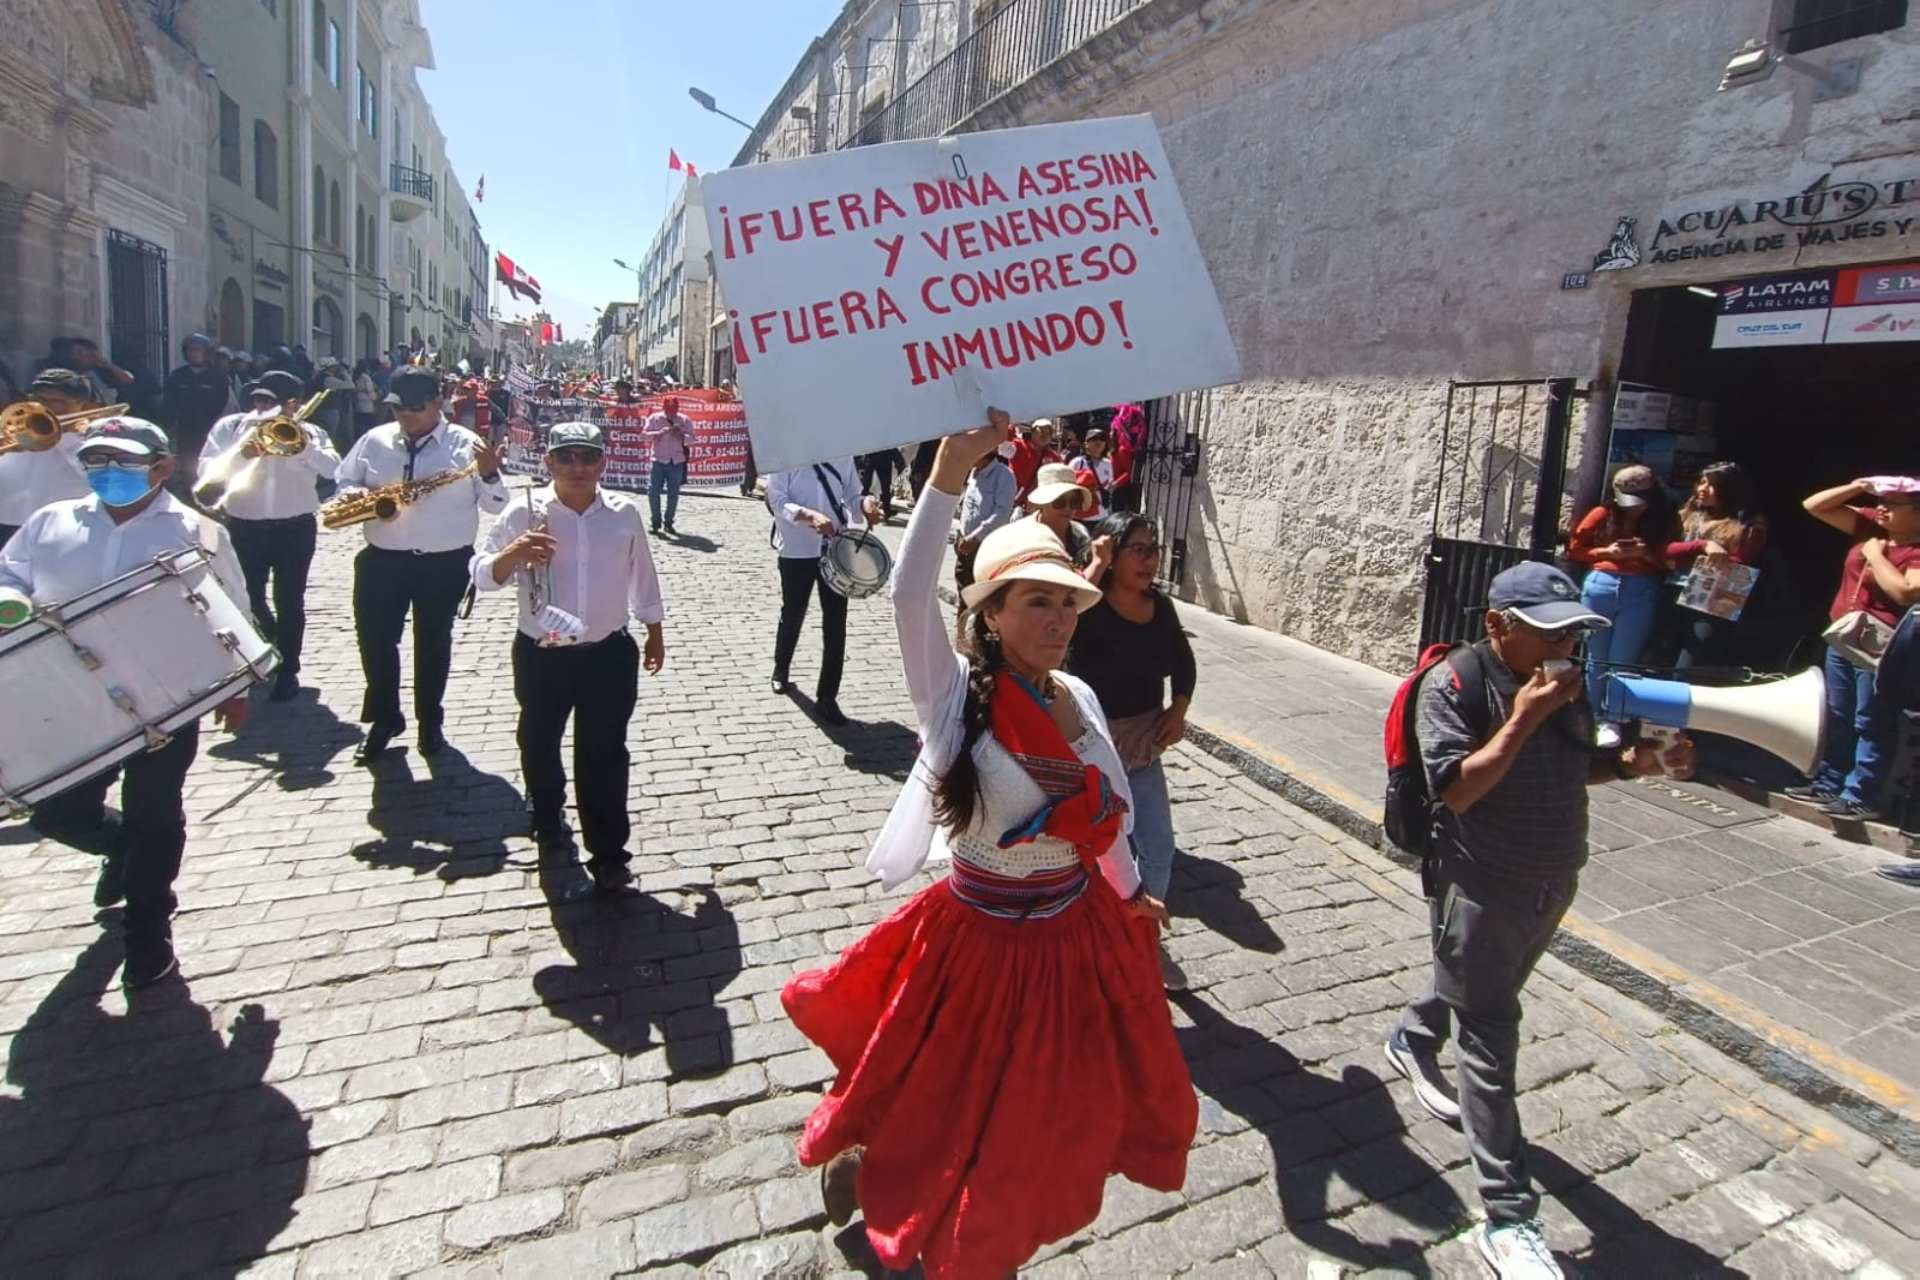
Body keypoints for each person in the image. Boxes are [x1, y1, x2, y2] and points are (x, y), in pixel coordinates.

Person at [781, 416, 1195, 1279]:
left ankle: (987, 1228)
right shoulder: (952, 697)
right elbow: (904, 595)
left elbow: (1103, 820)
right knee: (939, 1083)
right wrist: (944, 473)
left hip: (1065, 940)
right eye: (1034, 601)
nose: (1056, 616)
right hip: (973, 941)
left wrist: (1129, 895)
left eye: (1065, 601)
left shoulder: (1078, 698)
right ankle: (892, 1178)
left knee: (1031, 1111)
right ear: (992, 614)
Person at [1382, 561, 1693, 1280]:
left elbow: (1576, 764)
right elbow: (1457, 790)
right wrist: (1526, 713)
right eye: (1550, 632)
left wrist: (1640, 762)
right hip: (1482, 879)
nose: (1567, 646)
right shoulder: (1456, 684)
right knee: (1490, 1035)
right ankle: (1508, 1217)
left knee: (1479, 988)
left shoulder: (1562, 683)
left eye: (1576, 631)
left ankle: (1413, 1034)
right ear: (1498, 625)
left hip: (1553, 876)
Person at [2, 416, 250, 988]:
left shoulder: (196, 530)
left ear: (160, 467)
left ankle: (148, 931)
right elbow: (9, 571)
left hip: (165, 697)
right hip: (69, 697)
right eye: (95, 461)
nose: (106, 472)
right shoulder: (49, 522)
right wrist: (10, 598)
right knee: (57, 811)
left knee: (156, 814)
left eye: (122, 462)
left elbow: (231, 609)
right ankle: (119, 850)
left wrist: (235, 688)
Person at [472, 422, 666, 895]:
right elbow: (480, 575)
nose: (577, 468)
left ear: (602, 463)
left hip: (607, 652)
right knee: (538, 741)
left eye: (587, 458)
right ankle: (546, 809)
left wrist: (654, 631)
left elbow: (642, 573)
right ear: (549, 463)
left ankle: (609, 853)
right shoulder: (524, 512)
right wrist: (513, 553)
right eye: (566, 458)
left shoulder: (624, 513)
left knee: (604, 755)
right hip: (544, 654)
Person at [333, 366, 508, 763]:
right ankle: (384, 718)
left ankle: (431, 724)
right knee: (375, 643)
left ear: (436, 403)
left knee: (432, 646)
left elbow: (497, 506)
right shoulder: (374, 440)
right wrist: (355, 496)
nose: (404, 416)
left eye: (414, 408)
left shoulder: (467, 445)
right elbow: (343, 480)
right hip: (382, 561)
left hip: (443, 564)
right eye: (398, 408)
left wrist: (490, 474)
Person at [1067, 511, 1196, 989]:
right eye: (1137, 549)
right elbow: (1063, 612)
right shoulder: (1090, 605)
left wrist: (1178, 709)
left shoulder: (1160, 608)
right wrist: (1095, 567)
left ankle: (1143, 941)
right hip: (1089, 749)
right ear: (1112, 552)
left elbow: (1184, 663)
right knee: (1090, 855)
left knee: (1158, 848)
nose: (1149, 559)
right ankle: (1089, 942)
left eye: (1153, 549)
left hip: (1142, 748)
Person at [200, 370, 341, 701]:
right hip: (243, 524)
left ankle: (289, 669)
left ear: (293, 405)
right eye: (259, 400)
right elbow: (206, 471)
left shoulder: (311, 431)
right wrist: (241, 454)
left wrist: (303, 448)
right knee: (247, 597)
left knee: (290, 599)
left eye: (271, 402)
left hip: (295, 526)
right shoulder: (231, 429)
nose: (262, 408)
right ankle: (269, 641)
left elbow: (333, 468)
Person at [1793, 477, 1920, 821]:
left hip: (1882, 645)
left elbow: (1907, 592)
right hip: (1844, 635)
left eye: (1894, 504)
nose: (1883, 508)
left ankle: (1860, 793)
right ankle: (1829, 782)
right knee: (1838, 710)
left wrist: (1876, 556)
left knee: (1871, 718)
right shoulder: (1870, 525)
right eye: (1883, 501)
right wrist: (1859, 485)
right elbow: (1814, 505)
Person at [767, 454, 882, 726]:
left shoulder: (842, 454)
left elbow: (854, 497)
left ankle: (827, 698)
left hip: (835, 550)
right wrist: (809, 516)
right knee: (793, 613)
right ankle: (781, 669)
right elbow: (777, 500)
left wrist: (866, 505)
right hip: (796, 551)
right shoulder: (783, 453)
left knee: (835, 623)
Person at [1567, 464, 1672, 748]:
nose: (1632, 509)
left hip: (1640, 586)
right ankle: (1594, 716)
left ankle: (1614, 718)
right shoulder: (1603, 513)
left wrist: (1645, 554)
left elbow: (1670, 562)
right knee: (1596, 656)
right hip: (1601, 583)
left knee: (1623, 657)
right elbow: (1574, 549)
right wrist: (1607, 552)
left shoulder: (1663, 519)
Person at [1664, 461, 1766, 669]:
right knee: (1663, 654)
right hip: (1674, 588)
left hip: (1712, 599)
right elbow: (1665, 550)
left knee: (1690, 662)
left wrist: (1689, 555)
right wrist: (1702, 545)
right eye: (1701, 482)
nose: (1702, 489)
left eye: (1710, 485)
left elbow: (1741, 560)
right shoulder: (1687, 515)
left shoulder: (1748, 523)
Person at [0, 369, 97, 547]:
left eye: (56, 401)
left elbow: (93, 473)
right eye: (39, 400)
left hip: (62, 525)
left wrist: (66, 437)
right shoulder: (18, 426)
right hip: (8, 520)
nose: (46, 407)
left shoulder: (93, 435)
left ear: (80, 403)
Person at [161, 333, 232, 486]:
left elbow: (226, 405)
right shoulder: (178, 376)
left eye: (198, 350)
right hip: (185, 431)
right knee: (188, 470)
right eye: (190, 350)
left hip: (211, 430)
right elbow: (169, 404)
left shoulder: (218, 377)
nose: (193, 353)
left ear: (207, 352)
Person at [953, 440, 1017, 597]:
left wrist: (976, 537)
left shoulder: (1004, 476)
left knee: (980, 593)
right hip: (965, 542)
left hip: (984, 544)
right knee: (963, 588)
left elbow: (1001, 514)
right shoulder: (974, 473)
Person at [1023, 462, 1103, 573]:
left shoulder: (1081, 534)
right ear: (1042, 503)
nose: (1068, 508)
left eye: (1074, 502)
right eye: (1059, 501)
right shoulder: (1022, 535)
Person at [643, 395, 692, 534]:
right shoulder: (654, 418)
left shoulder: (684, 419)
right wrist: (657, 434)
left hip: (676, 461)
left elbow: (693, 438)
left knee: (673, 493)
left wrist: (681, 435)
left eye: (674, 409)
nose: (672, 412)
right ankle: (655, 522)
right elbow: (644, 435)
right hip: (658, 460)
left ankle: (669, 522)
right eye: (669, 409)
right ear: (663, 408)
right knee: (653, 492)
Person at [1006, 417, 1059, 502]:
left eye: (1049, 433)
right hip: (1012, 500)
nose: (1044, 435)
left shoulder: (1054, 457)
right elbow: (1004, 450)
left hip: (1037, 503)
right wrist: (1008, 432)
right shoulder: (1018, 446)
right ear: (1033, 431)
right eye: (1041, 431)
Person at [1068, 426, 1116, 519]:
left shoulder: (1108, 464)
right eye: (1094, 439)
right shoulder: (1077, 462)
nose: (1098, 442)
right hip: (1081, 514)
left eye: (1102, 439)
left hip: (1102, 514)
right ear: (1086, 444)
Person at [857, 447, 908, 520]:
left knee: (867, 485)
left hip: (872, 455)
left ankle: (862, 508)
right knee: (884, 486)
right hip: (883, 456)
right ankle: (886, 510)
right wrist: (898, 460)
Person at [351, 359, 380, 439]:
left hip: (357, 403)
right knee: (368, 425)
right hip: (367, 404)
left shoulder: (355, 376)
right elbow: (370, 390)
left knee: (359, 425)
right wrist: (376, 398)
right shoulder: (366, 377)